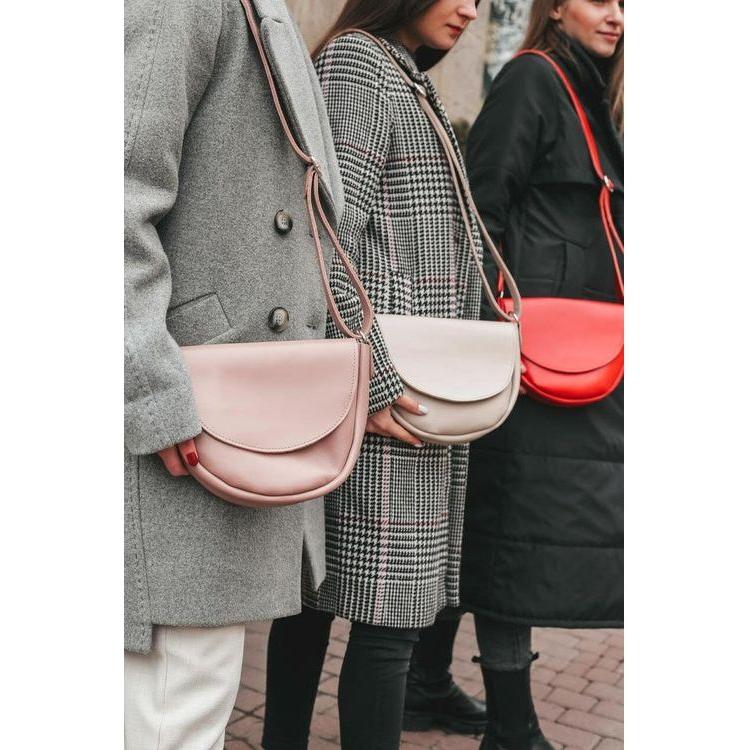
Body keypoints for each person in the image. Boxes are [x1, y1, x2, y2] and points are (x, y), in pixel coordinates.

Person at [123, 0, 367, 747]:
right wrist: (157, 395)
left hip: (223, 421)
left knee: (190, 698)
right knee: (173, 705)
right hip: (181, 438)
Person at [260, 2, 490, 749]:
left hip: (389, 380)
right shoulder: (361, 65)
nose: (469, 9)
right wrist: (377, 378)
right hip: (383, 386)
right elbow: (326, 228)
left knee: (319, 603)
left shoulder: (400, 74)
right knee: (386, 619)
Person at [406, 1, 624, 748]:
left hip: (570, 357)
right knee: (513, 536)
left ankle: (422, 683)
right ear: (556, 6)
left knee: (491, 529)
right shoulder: (536, 80)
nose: (618, 15)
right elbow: (482, 211)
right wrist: (494, 330)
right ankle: (512, 724)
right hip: (529, 358)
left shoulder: (590, 86)